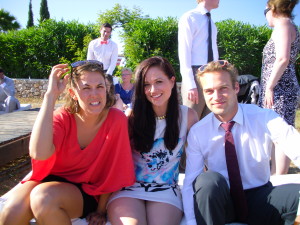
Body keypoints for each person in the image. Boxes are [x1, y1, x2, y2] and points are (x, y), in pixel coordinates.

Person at [0, 60, 135, 225]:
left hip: (86, 190)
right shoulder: (63, 116)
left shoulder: (116, 120)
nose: (95, 94)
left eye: (100, 86)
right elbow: (38, 153)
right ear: (73, 93)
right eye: (86, 88)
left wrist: (101, 211)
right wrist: (50, 96)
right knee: (10, 214)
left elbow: (114, 170)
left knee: (43, 199)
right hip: (49, 179)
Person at [182, 60, 300, 225]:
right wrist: (192, 221)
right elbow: (190, 182)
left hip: (261, 198)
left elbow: (295, 146)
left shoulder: (264, 117)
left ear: (236, 88)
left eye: (223, 88)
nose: (216, 97)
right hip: (221, 201)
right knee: (207, 181)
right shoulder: (198, 131)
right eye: (209, 91)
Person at [107, 56, 198, 225]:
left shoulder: (188, 116)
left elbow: (199, 158)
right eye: (146, 85)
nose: (153, 90)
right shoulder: (131, 117)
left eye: (159, 82)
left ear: (172, 81)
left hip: (166, 189)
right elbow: (113, 160)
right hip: (129, 189)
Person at [258, 0, 300, 175]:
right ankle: (276, 176)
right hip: (280, 88)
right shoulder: (288, 25)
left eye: (265, 10)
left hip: (280, 89)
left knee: (280, 135)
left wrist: (269, 87)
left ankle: (279, 179)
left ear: (272, 8)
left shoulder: (283, 24)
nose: (265, 14)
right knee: (278, 133)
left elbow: (282, 59)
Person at [178, 0, 219, 120]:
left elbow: (213, 50)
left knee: (209, 121)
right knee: (190, 122)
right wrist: (190, 83)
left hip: (211, 74)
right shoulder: (190, 17)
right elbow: (184, 51)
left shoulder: (211, 22)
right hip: (196, 74)